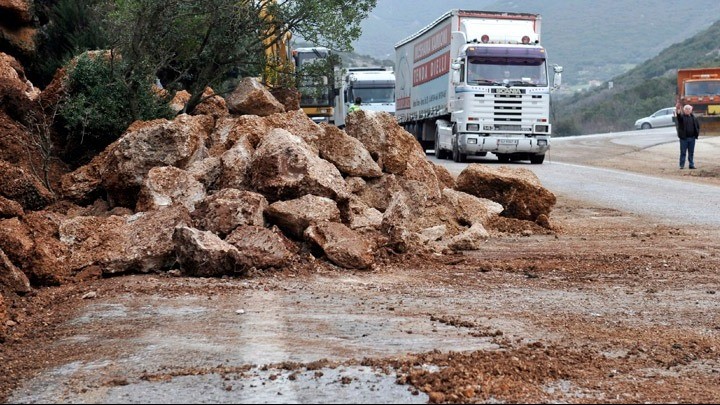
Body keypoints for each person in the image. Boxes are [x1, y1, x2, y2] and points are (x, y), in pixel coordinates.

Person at [674, 102, 700, 169]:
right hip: (684, 139)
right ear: (684, 110)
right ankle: (681, 165)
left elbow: (697, 126)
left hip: (692, 138)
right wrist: (678, 109)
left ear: (691, 110)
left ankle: (691, 165)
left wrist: (696, 134)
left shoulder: (694, 118)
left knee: (691, 152)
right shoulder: (682, 117)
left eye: (689, 109)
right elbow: (678, 116)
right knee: (683, 152)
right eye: (686, 109)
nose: (688, 110)